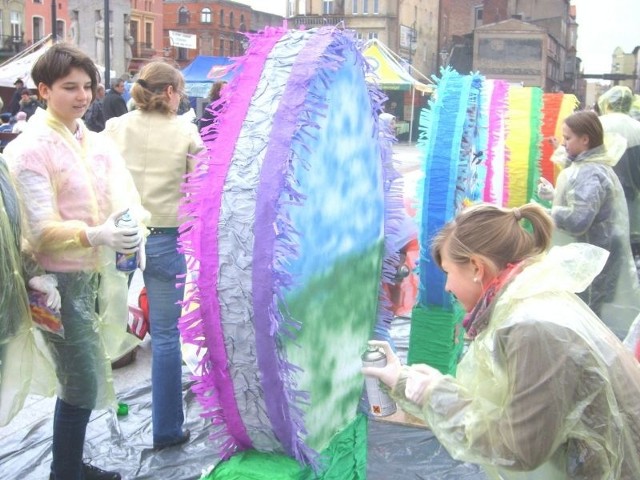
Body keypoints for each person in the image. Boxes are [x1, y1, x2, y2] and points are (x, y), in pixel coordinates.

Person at [363, 202, 640, 479]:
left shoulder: (532, 327)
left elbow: (517, 448)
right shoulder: (528, 301)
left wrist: (432, 393)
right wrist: (403, 380)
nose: (447, 286)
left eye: (448, 272)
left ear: (476, 267)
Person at [4, 43, 146, 480]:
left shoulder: (92, 139)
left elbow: (120, 196)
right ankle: (65, 471)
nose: (82, 95)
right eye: (70, 87)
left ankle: (68, 466)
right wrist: (95, 233)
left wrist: (129, 226)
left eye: (87, 86)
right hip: (57, 284)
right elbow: (40, 229)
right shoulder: (32, 148)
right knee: (82, 381)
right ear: (44, 90)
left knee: (85, 375)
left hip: (96, 272)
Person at [103, 60, 204, 451]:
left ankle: (91, 416)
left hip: (122, 236)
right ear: (171, 93)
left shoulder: (114, 129)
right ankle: (167, 429)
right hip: (165, 238)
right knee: (165, 337)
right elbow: (201, 187)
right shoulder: (186, 131)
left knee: (103, 329)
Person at [537, 110, 640, 340]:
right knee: (590, 315)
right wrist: (555, 195)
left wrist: (547, 212)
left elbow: (578, 220)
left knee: (588, 318)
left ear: (585, 140)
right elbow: (586, 205)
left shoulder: (590, 171)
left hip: (593, 255)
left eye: (568, 138)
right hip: (595, 251)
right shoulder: (592, 166)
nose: (564, 143)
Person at [597, 86, 640, 264]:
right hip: (632, 203)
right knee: (629, 252)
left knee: (602, 255)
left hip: (599, 203)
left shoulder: (597, 125)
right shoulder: (637, 127)